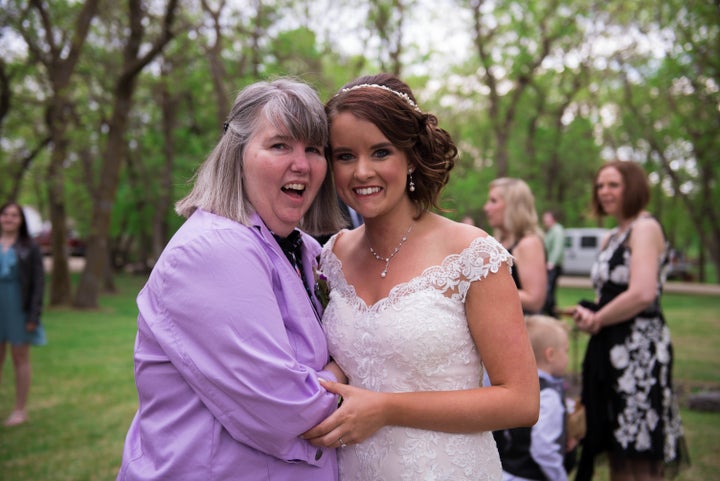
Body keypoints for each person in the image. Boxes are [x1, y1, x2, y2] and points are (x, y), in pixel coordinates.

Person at [302, 73, 539, 481]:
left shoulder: (471, 254)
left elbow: (521, 401)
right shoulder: (331, 256)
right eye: (344, 156)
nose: (361, 172)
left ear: (411, 156)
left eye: (380, 152)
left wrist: (387, 408)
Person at [117, 79, 347, 481]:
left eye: (313, 149)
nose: (302, 163)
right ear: (236, 155)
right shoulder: (213, 250)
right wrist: (342, 374)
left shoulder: (305, 249)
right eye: (280, 145)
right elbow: (286, 409)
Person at [572, 160, 689, 481]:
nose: (604, 192)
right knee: (614, 448)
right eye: (600, 186)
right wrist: (588, 314)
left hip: (639, 350)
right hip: (607, 348)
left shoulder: (646, 228)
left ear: (633, 187)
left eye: (613, 185)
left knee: (639, 448)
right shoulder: (609, 237)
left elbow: (642, 292)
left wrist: (597, 319)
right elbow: (607, 295)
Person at [497, 315, 576, 481]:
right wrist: (559, 476)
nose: (567, 357)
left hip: (505, 472)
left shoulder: (514, 385)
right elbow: (543, 448)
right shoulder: (549, 395)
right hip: (531, 475)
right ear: (551, 355)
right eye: (566, 351)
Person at [0, 202, 46, 427]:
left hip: (18, 308)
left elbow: (38, 283)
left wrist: (33, 316)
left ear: (21, 220)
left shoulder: (30, 247)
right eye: (5, 214)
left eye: (14, 215)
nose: (9, 219)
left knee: (20, 357)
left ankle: (20, 409)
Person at [484, 178, 547, 314]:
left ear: (513, 206)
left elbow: (534, 300)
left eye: (493, 201)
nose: (486, 208)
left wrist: (485, 290)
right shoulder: (500, 241)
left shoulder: (528, 243)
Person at [542, 210, 565, 317]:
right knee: (550, 291)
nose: (545, 220)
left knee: (549, 291)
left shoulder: (557, 230)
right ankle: (552, 314)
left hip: (553, 266)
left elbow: (558, 248)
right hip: (550, 265)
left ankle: (553, 315)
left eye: (547, 218)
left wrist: (551, 262)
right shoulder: (551, 231)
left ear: (553, 218)